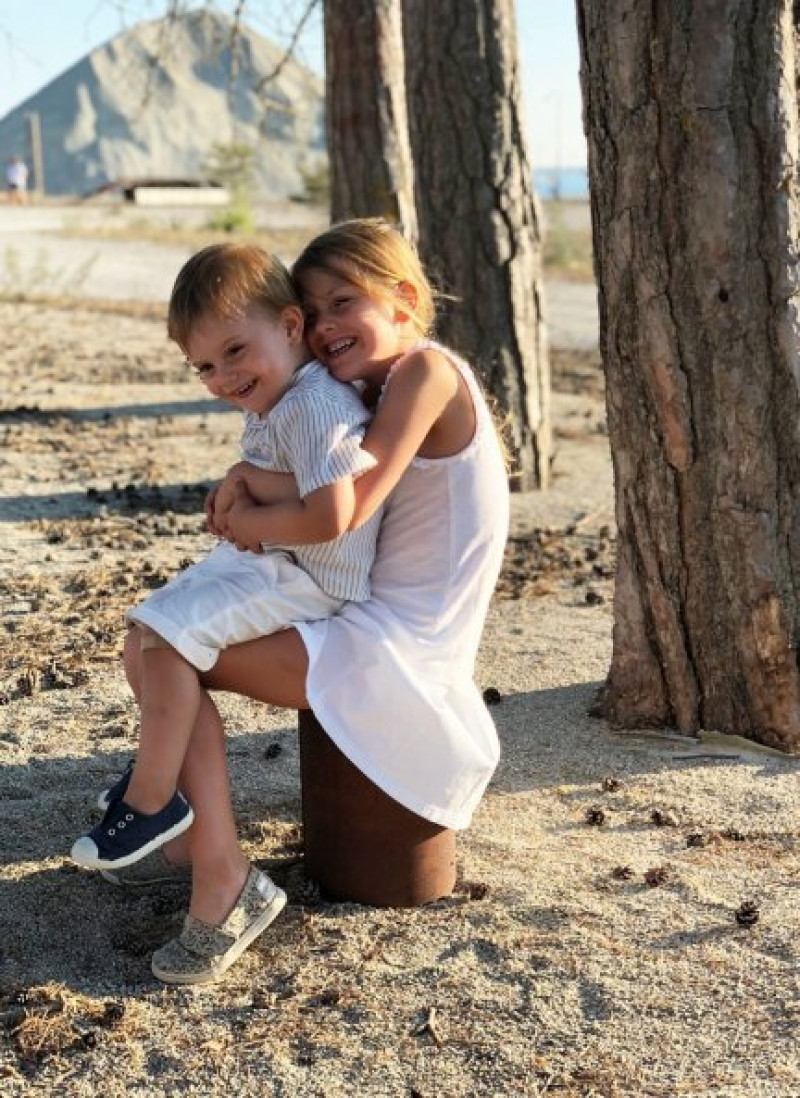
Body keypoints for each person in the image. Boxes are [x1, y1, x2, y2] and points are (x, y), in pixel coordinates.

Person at [115, 218, 510, 986]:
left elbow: (347, 505)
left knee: (171, 653)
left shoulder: (426, 374)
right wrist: (247, 478)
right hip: (358, 614)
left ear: (403, 296)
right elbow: (315, 481)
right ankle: (198, 849)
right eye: (313, 310)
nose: (327, 325)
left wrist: (247, 507)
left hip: (397, 644)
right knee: (154, 644)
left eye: (343, 301)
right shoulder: (364, 389)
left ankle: (216, 874)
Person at [71, 243, 382, 896]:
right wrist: (245, 482)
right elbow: (294, 480)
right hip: (278, 562)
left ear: (291, 326)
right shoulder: (286, 400)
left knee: (166, 638)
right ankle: (159, 793)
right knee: (149, 630)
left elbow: (333, 515)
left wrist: (252, 522)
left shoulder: (315, 407)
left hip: (311, 578)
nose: (223, 377)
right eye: (205, 366)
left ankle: (154, 801)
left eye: (235, 352)